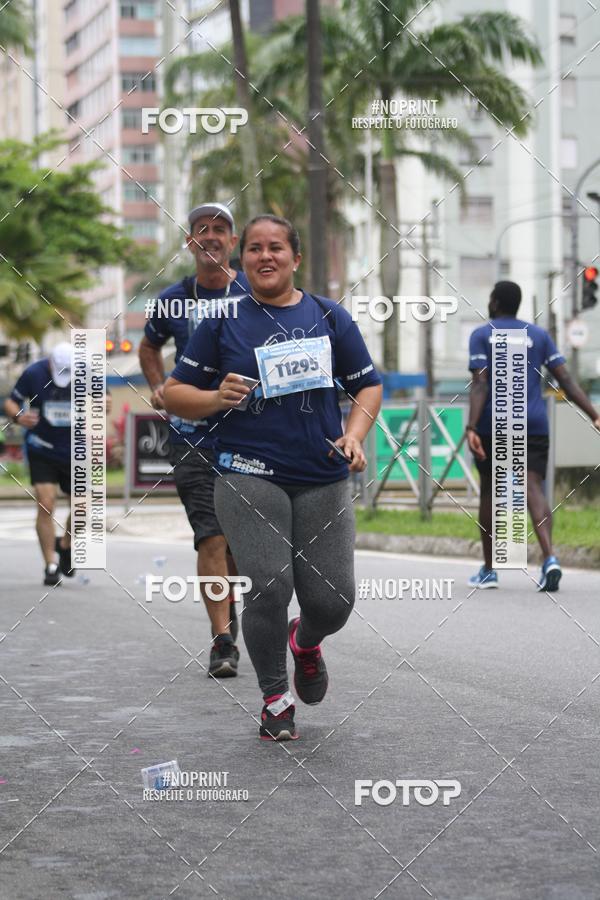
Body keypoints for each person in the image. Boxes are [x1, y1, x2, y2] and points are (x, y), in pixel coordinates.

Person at [164, 214, 382, 741]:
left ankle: (305, 643)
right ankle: (274, 698)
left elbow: (368, 386)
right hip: (247, 472)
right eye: (255, 249)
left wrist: (354, 434)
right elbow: (173, 394)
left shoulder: (329, 317)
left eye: (276, 248)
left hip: (322, 475)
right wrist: (215, 397)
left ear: (295, 258)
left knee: (333, 600)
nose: (265, 257)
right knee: (269, 585)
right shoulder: (222, 322)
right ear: (243, 260)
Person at [138, 202, 251, 678]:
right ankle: (221, 640)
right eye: (201, 230)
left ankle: (235, 604)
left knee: (241, 545)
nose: (210, 237)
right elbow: (148, 346)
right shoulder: (172, 299)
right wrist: (160, 387)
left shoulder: (253, 291)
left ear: (232, 240)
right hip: (192, 434)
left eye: (220, 229)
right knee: (211, 535)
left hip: (252, 433)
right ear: (190, 242)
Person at [467, 280, 600, 592]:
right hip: (534, 424)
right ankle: (550, 557)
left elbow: (480, 384)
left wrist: (472, 426)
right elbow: (565, 378)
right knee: (532, 486)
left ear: (495, 302)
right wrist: (593, 414)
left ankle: (490, 570)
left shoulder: (482, 334)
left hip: (494, 425)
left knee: (491, 492)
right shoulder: (538, 335)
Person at [5, 343, 75, 585]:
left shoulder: (87, 372)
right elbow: (11, 402)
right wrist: (18, 416)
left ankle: (65, 545)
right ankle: (51, 565)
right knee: (46, 504)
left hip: (76, 450)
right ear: (50, 364)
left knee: (83, 509)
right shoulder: (33, 373)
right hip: (41, 447)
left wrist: (104, 403)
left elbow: (103, 396)